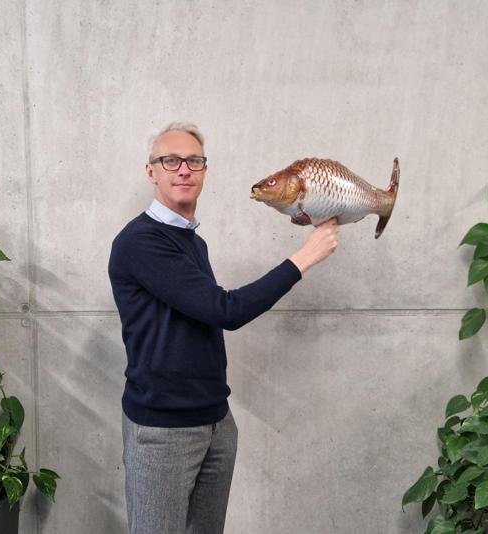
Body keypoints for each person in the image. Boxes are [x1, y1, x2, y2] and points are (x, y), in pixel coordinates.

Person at [108, 121, 339, 534]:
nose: (183, 169)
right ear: (152, 172)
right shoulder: (140, 241)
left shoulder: (192, 241)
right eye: (170, 160)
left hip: (215, 420)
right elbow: (225, 311)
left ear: (204, 170)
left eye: (193, 161)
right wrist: (304, 258)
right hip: (163, 431)